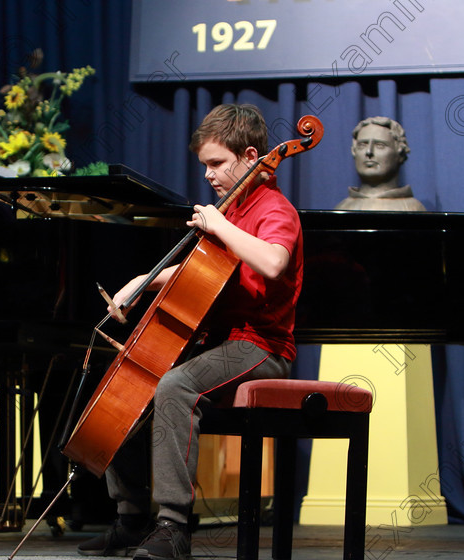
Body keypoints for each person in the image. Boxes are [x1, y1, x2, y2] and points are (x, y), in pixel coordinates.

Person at [76, 105, 303, 560]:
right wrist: (144, 280)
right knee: (130, 376)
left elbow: (273, 261)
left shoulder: (275, 209)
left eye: (217, 163)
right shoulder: (233, 208)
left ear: (251, 155)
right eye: (204, 165)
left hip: (261, 345)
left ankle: (173, 526)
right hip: (221, 341)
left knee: (176, 386)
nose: (208, 175)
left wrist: (218, 225)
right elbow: (206, 269)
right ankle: (130, 517)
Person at [334, 116, 425, 211]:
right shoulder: (342, 208)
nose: (369, 152)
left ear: (400, 153)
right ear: (354, 151)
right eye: (362, 145)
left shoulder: (414, 209)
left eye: (380, 145)